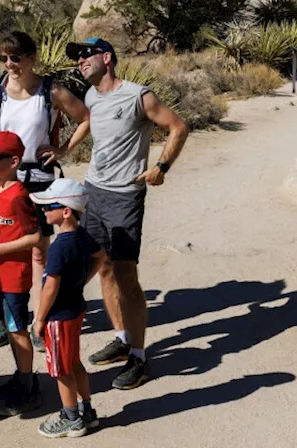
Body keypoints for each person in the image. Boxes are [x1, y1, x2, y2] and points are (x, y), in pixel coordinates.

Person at [64, 37, 188, 390]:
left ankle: (139, 356)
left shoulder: (138, 95)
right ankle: (121, 338)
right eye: (78, 58)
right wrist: (65, 147)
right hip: (94, 192)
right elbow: (88, 121)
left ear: (107, 57)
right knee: (101, 267)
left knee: (125, 275)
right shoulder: (92, 96)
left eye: (86, 55)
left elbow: (178, 126)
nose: (81, 61)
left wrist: (161, 166)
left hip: (123, 197)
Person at [0, 31, 91, 351]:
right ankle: (6, 319)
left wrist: (63, 150)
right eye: (4, 58)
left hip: (38, 177)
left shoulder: (51, 91)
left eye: (16, 58)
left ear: (31, 58)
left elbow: (86, 117)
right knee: (1, 246)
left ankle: (38, 321)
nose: (9, 64)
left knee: (38, 252)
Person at [0, 131, 44, 416]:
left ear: (14, 161)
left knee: (17, 329)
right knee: (8, 325)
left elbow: (35, 237)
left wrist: (1, 250)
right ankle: (21, 375)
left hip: (15, 275)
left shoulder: (19, 196)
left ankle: (27, 386)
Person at [30, 179, 103, 438]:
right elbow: (100, 256)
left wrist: (39, 320)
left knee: (61, 370)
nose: (44, 210)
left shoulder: (60, 246)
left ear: (67, 211)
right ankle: (87, 410)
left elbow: (50, 287)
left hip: (58, 316)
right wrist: (81, 280)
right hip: (75, 309)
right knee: (73, 362)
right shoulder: (82, 236)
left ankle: (72, 418)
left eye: (50, 206)